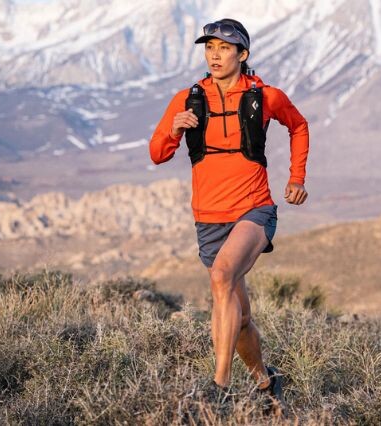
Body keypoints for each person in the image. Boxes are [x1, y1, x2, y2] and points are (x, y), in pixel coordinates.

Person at [148, 18, 309, 414]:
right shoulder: (189, 98)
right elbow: (157, 152)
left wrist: (297, 177)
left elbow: (299, 126)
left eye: (224, 48)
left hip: (255, 209)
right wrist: (174, 129)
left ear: (243, 54)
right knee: (238, 318)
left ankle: (218, 389)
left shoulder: (265, 96)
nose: (215, 55)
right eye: (209, 48)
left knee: (221, 277)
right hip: (208, 217)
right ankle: (267, 383)